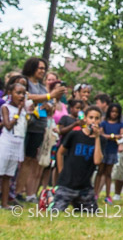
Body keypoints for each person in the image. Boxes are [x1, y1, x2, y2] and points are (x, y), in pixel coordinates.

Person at [17, 57, 66, 203]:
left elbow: (48, 102)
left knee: (32, 160)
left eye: (44, 68)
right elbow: (26, 97)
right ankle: (16, 191)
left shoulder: (41, 86)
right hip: (26, 126)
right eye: (40, 68)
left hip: (39, 127)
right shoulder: (24, 81)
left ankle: (28, 193)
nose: (42, 71)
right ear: (31, 67)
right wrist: (49, 96)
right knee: (22, 159)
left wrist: (49, 105)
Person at [53, 105, 105, 213]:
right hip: (67, 183)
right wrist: (61, 171)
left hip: (85, 187)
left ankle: (77, 203)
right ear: (85, 118)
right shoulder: (74, 135)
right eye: (91, 117)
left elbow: (97, 161)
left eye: (96, 118)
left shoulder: (101, 140)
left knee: (92, 213)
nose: (93, 121)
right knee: (56, 211)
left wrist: (97, 138)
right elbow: (60, 153)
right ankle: (50, 197)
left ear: (100, 120)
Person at [0, 79, 27, 209]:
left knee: (8, 175)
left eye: (23, 93)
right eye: (18, 93)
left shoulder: (23, 110)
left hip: (17, 144)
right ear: (10, 93)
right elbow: (8, 125)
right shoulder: (6, 107)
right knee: (0, 172)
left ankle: (4, 203)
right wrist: (18, 113)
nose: (21, 96)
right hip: (6, 143)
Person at [95, 103, 123, 204]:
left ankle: (108, 195)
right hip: (103, 149)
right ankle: (95, 194)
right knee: (100, 171)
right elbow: (101, 134)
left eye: (116, 112)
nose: (114, 114)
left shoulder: (120, 124)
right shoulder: (103, 123)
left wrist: (110, 136)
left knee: (108, 173)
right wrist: (113, 136)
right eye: (112, 111)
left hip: (112, 150)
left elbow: (121, 135)